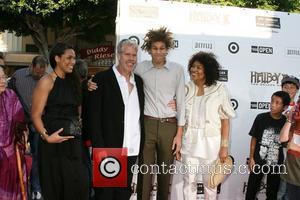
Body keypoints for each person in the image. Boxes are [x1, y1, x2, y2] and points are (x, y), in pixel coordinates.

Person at [86, 39, 144, 200]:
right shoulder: (101, 79)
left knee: (124, 194)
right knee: (105, 194)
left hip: (132, 148)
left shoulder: (138, 81)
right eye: (127, 54)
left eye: (134, 55)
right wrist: (99, 147)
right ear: (119, 55)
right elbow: (94, 117)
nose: (131, 58)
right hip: (109, 147)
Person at [31, 43, 89, 200]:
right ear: (57, 58)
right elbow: (35, 114)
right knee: (57, 189)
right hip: (53, 145)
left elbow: (77, 109)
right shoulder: (47, 81)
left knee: (80, 186)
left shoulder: (74, 81)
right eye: (69, 58)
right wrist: (46, 136)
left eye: (74, 58)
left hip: (74, 143)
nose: (73, 62)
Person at [135, 26, 185, 200]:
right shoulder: (140, 68)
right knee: (145, 172)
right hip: (147, 125)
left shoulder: (177, 70)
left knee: (165, 173)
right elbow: (121, 78)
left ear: (167, 50)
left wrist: (179, 134)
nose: (158, 52)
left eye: (162, 48)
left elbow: (182, 102)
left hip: (169, 127)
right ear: (149, 49)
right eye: (155, 48)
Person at [180, 52, 235, 200]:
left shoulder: (219, 89)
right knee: (188, 181)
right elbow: (179, 116)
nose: (194, 70)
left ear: (207, 70)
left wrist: (224, 146)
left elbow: (225, 120)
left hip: (211, 142)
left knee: (210, 182)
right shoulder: (185, 89)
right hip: (189, 140)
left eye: (199, 67)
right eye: (192, 67)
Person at [8, 55, 48, 200]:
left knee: (37, 157)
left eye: (41, 73)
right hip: (21, 124)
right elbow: (9, 97)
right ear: (31, 66)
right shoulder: (17, 76)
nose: (39, 75)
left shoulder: (47, 78)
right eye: (37, 72)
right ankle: (19, 187)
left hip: (39, 124)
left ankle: (36, 189)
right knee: (18, 156)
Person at [245, 91, 291, 200]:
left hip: (276, 164)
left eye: (277, 103)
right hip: (258, 161)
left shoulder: (286, 122)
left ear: (284, 107)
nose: (273, 104)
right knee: (251, 190)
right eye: (272, 101)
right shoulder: (261, 118)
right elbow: (254, 138)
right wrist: (251, 158)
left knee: (272, 193)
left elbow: (286, 143)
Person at [0, 59, 29, 200]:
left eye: (4, 77)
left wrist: (21, 131)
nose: (3, 81)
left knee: (11, 177)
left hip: (11, 148)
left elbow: (20, 118)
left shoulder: (11, 95)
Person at [277, 76, 300, 200]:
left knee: (287, 187)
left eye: (292, 87)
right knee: (280, 188)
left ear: (297, 89)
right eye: (286, 87)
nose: (289, 90)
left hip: (292, 152)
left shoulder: (297, 107)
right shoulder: (276, 105)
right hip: (278, 151)